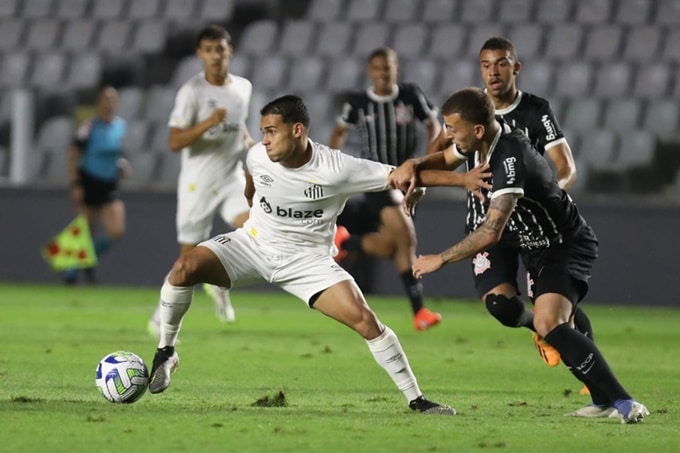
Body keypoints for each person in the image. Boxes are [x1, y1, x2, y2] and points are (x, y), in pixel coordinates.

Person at [147, 94, 456, 415]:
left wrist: (462, 178)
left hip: (308, 263)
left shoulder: (337, 167)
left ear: (297, 130)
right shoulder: (257, 155)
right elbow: (252, 179)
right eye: (263, 132)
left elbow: (407, 173)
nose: (264, 140)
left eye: (271, 131)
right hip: (252, 247)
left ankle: (417, 400)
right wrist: (251, 196)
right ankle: (166, 351)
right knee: (184, 267)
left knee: (366, 321)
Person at [390, 87, 649, 424]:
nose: (448, 135)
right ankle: (601, 399)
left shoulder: (510, 157)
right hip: (534, 245)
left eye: (452, 129)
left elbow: (490, 232)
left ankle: (624, 401)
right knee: (540, 318)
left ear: (478, 130)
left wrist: (439, 258)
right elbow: (442, 158)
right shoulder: (484, 143)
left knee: (548, 321)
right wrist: (413, 165)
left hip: (564, 244)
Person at [148, 24, 254, 334]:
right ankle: (161, 314)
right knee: (188, 260)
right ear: (200, 55)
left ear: (229, 51)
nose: (215, 56)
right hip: (198, 183)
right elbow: (175, 141)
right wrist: (208, 122)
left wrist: (249, 143)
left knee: (254, 226)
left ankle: (221, 280)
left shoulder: (243, 88)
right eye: (209, 51)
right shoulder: (191, 92)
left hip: (230, 177)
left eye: (220, 50)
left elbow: (239, 126)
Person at [329, 47, 442, 331]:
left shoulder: (410, 96)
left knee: (394, 245)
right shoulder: (358, 103)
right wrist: (331, 169)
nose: (383, 73)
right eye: (378, 68)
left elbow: (434, 126)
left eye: (388, 67)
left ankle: (346, 243)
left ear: (396, 69)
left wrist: (428, 162)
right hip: (377, 179)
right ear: (370, 71)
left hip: (408, 180)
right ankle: (420, 311)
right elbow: (339, 131)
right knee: (406, 238)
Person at [65, 85, 129, 284]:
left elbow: (118, 154)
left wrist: (122, 166)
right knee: (85, 230)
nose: (109, 104)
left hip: (109, 184)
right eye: (105, 99)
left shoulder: (120, 126)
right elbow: (73, 156)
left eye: (112, 99)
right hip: (89, 181)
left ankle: (86, 260)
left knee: (116, 230)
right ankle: (71, 274)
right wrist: (76, 184)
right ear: (98, 103)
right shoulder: (89, 126)